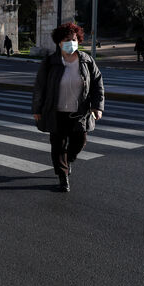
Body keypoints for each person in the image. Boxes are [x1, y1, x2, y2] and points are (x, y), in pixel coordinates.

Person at [32, 22, 104, 192]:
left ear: (78, 40)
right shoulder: (50, 62)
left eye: (74, 39)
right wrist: (37, 109)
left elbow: (97, 84)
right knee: (58, 145)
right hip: (55, 111)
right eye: (66, 39)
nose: (71, 42)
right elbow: (39, 87)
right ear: (59, 42)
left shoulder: (86, 61)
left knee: (80, 141)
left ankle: (69, 159)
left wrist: (97, 107)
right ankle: (63, 178)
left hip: (79, 112)